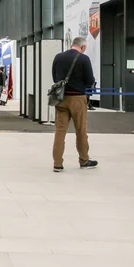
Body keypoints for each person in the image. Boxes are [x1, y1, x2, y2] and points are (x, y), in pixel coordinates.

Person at [52, 37, 98, 172]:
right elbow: (90, 80)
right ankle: (84, 160)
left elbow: (55, 77)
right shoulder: (84, 59)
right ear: (82, 47)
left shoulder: (58, 57)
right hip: (78, 98)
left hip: (61, 98)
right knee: (81, 131)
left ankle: (57, 163)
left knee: (60, 131)